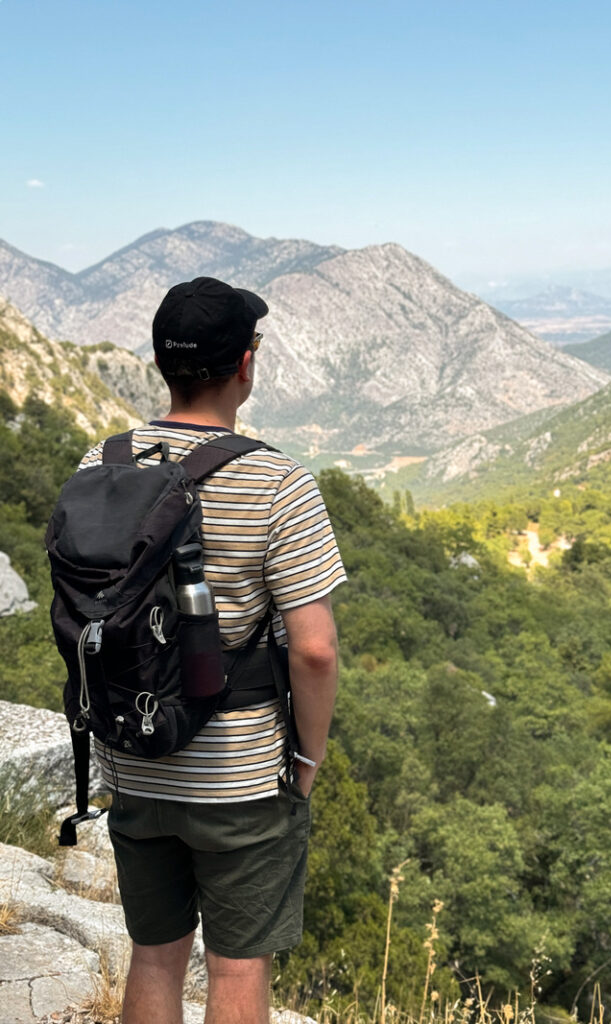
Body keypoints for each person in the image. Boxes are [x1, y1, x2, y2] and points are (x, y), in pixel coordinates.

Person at [77, 276, 346, 1024]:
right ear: (246, 366)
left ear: (162, 363)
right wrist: (306, 762)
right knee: (234, 968)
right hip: (238, 772)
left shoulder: (99, 466)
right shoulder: (277, 483)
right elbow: (315, 651)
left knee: (156, 955)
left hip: (132, 754)